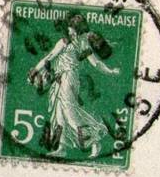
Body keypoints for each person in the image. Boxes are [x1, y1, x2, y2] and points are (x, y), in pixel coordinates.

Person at [27, 13, 120, 158]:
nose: (70, 31)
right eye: (70, 28)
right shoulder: (64, 42)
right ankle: (62, 147)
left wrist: (110, 71)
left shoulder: (82, 43)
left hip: (69, 79)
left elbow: (95, 62)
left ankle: (94, 141)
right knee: (58, 115)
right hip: (59, 79)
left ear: (78, 29)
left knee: (70, 113)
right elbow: (49, 57)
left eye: (73, 29)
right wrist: (35, 70)